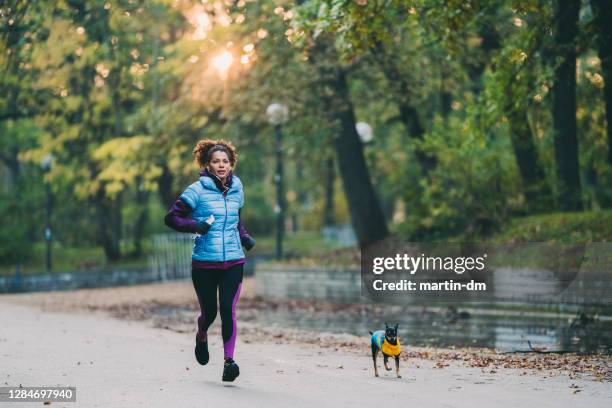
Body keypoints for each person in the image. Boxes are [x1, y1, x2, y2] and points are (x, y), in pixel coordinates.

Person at [164, 139, 255, 382]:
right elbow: (172, 218)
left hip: (234, 261)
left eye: (225, 161)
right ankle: (202, 334)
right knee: (210, 313)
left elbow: (236, 217)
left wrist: (244, 236)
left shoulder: (237, 187)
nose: (222, 165)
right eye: (216, 161)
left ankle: (229, 362)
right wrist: (196, 225)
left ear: (231, 163)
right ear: (208, 164)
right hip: (204, 262)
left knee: (228, 309)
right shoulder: (197, 190)